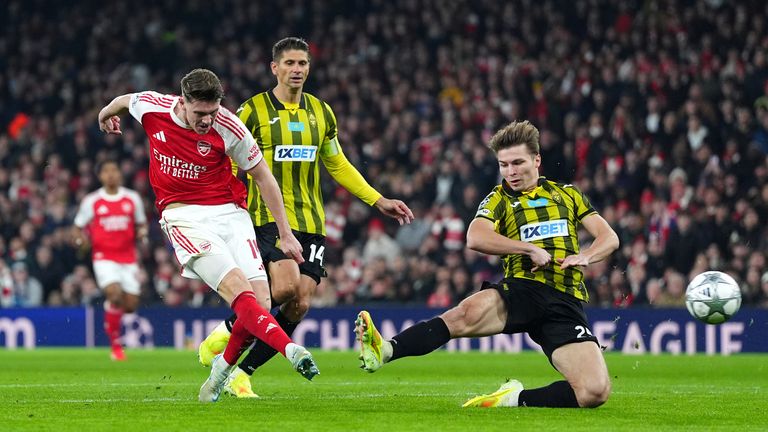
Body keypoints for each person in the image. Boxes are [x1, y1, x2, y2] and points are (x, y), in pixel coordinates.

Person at [197, 37, 413, 398]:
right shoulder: (251, 112)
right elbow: (230, 164)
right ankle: (225, 330)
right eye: (290, 63)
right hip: (265, 217)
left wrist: (377, 200)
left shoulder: (322, 113)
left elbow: (337, 163)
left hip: (311, 220)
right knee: (282, 288)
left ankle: (241, 373)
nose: (297, 70)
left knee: (300, 303)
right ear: (275, 68)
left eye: (303, 64)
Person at [356, 120, 620, 408]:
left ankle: (513, 398)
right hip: (522, 289)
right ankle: (386, 350)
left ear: (537, 160)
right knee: (462, 315)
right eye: (504, 165)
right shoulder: (499, 199)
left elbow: (608, 237)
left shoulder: (568, 194)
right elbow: (475, 236)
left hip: (564, 301)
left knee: (594, 392)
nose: (511, 172)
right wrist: (527, 248)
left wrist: (586, 256)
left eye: (517, 163)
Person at [97, 68, 319, 402]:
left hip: (231, 214)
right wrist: (105, 114)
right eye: (199, 113)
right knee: (240, 293)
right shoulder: (153, 107)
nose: (206, 120)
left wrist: (285, 234)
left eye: (212, 112)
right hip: (184, 217)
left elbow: (263, 177)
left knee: (262, 302)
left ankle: (222, 369)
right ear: (182, 102)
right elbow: (125, 101)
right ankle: (290, 350)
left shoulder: (229, 126)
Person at [72, 159, 148, 361]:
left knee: (130, 305)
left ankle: (111, 312)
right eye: (106, 171)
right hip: (103, 257)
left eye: (114, 170)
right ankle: (116, 346)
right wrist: (80, 240)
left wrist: (142, 233)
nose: (111, 174)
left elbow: (141, 224)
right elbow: (77, 227)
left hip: (128, 258)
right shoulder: (92, 201)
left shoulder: (132, 198)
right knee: (114, 294)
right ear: (100, 176)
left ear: (120, 174)